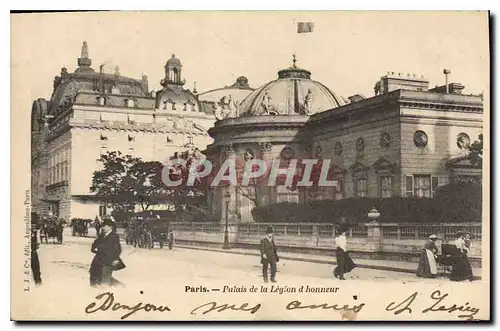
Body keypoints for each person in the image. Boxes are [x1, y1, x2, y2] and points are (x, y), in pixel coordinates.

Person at [89, 218, 123, 287]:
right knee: (93, 275)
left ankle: (119, 286)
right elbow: (94, 244)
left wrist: (113, 259)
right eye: (102, 226)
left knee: (105, 280)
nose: (103, 227)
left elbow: (117, 250)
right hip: (97, 261)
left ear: (110, 227)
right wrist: (94, 249)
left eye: (105, 226)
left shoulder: (114, 236)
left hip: (107, 262)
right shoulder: (101, 235)